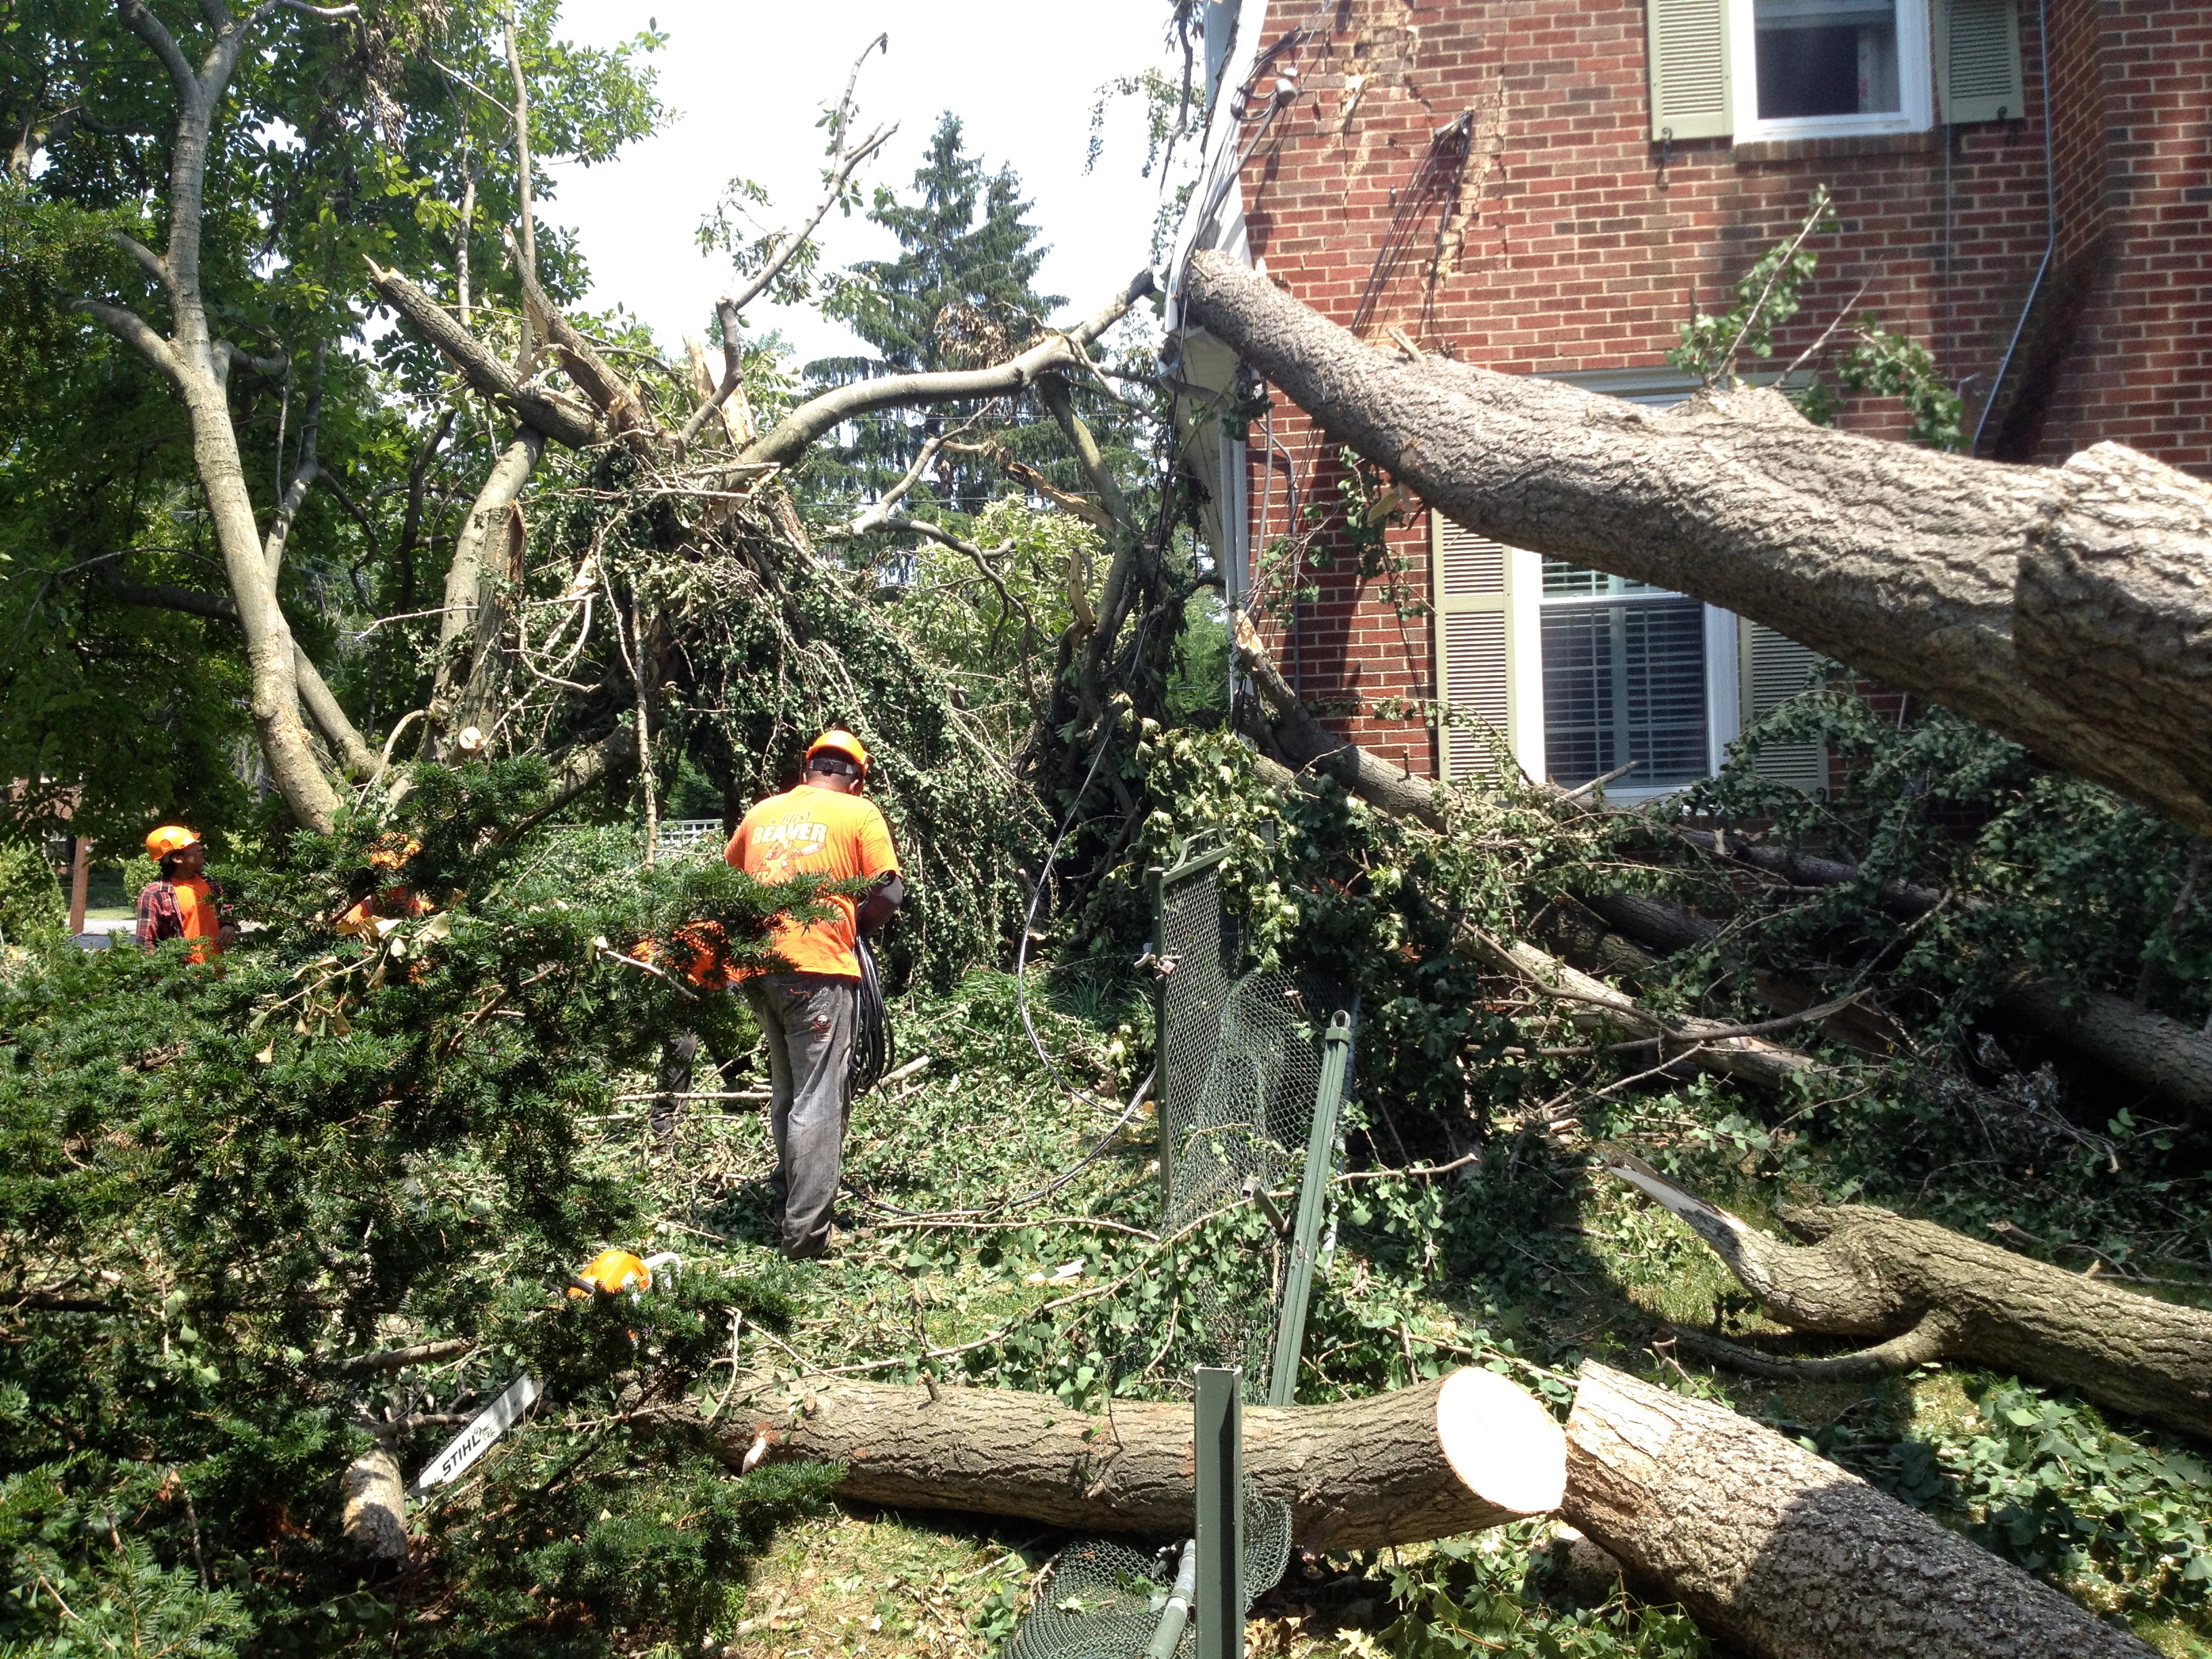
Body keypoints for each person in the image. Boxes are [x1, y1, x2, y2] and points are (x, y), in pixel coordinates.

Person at [724, 729, 903, 1259]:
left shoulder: (761, 814)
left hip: (761, 970)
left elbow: (727, 883)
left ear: (809, 770)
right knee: (817, 1100)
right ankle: (805, 1237)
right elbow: (889, 890)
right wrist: (857, 930)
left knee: (787, 1091)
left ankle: (787, 1196)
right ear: (856, 777)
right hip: (819, 970)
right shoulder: (859, 813)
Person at [134, 825, 237, 961]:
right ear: (177, 858)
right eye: (192, 846)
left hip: (217, 976)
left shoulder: (210, 883)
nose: (200, 847)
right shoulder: (154, 894)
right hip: (184, 978)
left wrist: (229, 925)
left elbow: (227, 907)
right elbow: (144, 944)